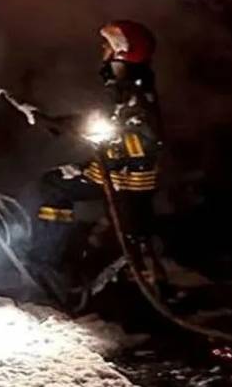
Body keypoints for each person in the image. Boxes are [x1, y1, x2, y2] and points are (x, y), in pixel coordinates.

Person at [31, 20, 165, 292]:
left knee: (53, 186)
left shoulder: (130, 90)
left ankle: (47, 261)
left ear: (122, 51)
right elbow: (106, 120)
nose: (102, 48)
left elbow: (133, 133)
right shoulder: (129, 84)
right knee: (59, 182)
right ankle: (64, 258)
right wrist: (57, 123)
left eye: (108, 44)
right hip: (117, 169)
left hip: (122, 176)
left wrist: (67, 126)